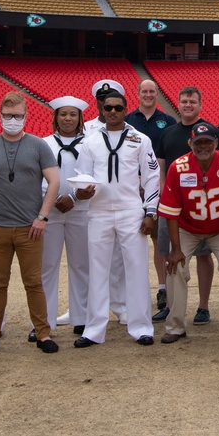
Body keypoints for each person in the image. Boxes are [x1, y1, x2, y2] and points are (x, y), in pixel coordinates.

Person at [0, 92, 61, 356]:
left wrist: (43, 217)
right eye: (8, 116)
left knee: (34, 282)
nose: (12, 120)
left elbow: (54, 181)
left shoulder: (39, 146)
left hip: (30, 227)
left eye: (18, 116)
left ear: (26, 116)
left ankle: (42, 333)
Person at [73, 90, 161, 347]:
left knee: (136, 269)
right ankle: (94, 330)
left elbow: (152, 176)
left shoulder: (140, 139)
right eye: (108, 108)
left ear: (126, 110)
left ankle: (141, 327)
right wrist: (81, 191)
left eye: (118, 108)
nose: (112, 112)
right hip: (99, 212)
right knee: (97, 270)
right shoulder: (90, 141)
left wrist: (150, 211)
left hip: (130, 211)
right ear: (101, 110)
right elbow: (82, 175)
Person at [160, 123, 219, 342]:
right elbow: (171, 212)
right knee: (175, 266)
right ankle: (175, 326)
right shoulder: (177, 167)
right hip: (187, 228)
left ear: (216, 143)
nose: (203, 147)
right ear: (190, 143)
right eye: (198, 142)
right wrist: (176, 249)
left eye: (207, 142)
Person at [154, 86, 219, 325]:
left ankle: (203, 306)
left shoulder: (210, 131)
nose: (188, 105)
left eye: (192, 102)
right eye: (184, 101)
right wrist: (163, 199)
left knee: (204, 257)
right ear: (178, 103)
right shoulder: (168, 133)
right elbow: (161, 170)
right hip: (173, 205)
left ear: (200, 104)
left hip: (203, 205)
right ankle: (172, 305)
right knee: (170, 255)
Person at [38, 95, 91, 340]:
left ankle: (81, 318)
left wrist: (74, 198)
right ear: (55, 118)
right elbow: (35, 177)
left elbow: (93, 177)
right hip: (50, 211)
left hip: (80, 211)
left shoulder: (90, 143)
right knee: (47, 266)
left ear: (80, 118)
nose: (68, 118)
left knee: (81, 265)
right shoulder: (43, 144)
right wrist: (55, 199)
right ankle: (43, 321)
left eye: (72, 114)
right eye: (63, 114)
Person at [126, 79, 176, 314]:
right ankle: (129, 292)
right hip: (129, 189)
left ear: (157, 94)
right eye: (144, 91)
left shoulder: (167, 121)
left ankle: (162, 287)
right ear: (138, 94)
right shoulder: (126, 120)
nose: (148, 94)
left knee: (159, 240)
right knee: (128, 241)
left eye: (151, 91)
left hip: (157, 189)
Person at [84, 78, 129, 325]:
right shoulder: (86, 129)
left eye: (114, 104)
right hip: (92, 204)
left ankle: (120, 305)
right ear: (98, 104)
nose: (109, 108)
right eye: (103, 102)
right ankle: (84, 307)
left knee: (118, 260)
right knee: (89, 260)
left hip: (121, 203)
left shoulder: (130, 132)